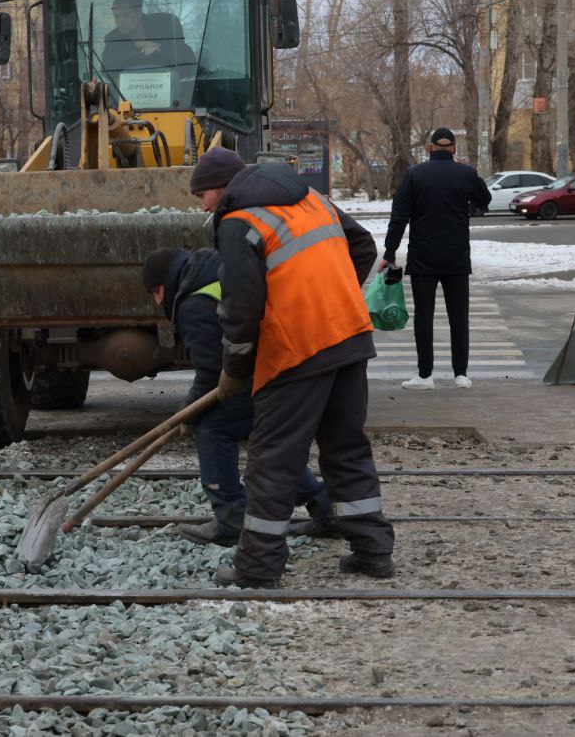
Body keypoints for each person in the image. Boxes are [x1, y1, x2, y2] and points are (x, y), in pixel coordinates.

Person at [191, 146, 396, 587]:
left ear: (222, 188)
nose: (203, 206)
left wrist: (235, 369)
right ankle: (373, 551)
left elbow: (240, 310)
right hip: (349, 337)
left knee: (273, 460)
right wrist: (332, 293)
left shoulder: (239, 222)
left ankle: (258, 569)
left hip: (298, 350)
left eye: (202, 195)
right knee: (346, 447)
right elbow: (362, 245)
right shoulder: (313, 199)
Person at [142, 246, 338, 545]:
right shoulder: (210, 265)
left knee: (212, 429)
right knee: (267, 440)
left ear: (160, 287)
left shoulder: (194, 303)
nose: (158, 302)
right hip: (291, 360)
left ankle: (230, 518)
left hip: (271, 367)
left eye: (155, 294)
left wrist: (189, 416)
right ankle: (325, 509)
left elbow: (211, 373)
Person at [379, 128, 493, 391]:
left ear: (429, 148)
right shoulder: (465, 173)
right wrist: (468, 203)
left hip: (423, 257)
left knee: (424, 316)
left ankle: (425, 375)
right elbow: (484, 200)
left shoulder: (414, 175)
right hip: (456, 257)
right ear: (453, 149)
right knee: (458, 316)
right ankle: (461, 374)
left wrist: (389, 253)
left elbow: (399, 218)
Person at [101, 0, 196, 80]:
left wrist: (160, 50)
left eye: (125, 15)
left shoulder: (166, 28)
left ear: (139, 13)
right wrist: (136, 45)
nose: (120, 21)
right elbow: (107, 70)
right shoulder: (113, 40)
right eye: (117, 16)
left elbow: (189, 63)